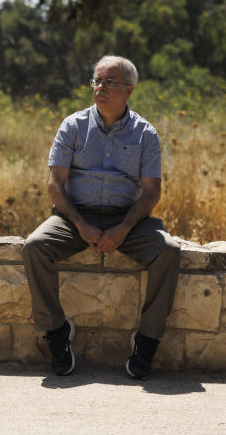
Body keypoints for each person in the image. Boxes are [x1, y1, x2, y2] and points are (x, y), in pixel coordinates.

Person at [21, 55, 180, 380]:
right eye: (97, 80)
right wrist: (81, 224)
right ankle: (56, 333)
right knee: (34, 247)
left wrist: (123, 229)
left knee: (168, 252)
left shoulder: (145, 133)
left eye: (110, 82)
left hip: (129, 219)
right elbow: (55, 184)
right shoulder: (73, 126)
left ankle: (147, 340)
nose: (101, 87)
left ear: (129, 90)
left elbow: (151, 192)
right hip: (75, 217)